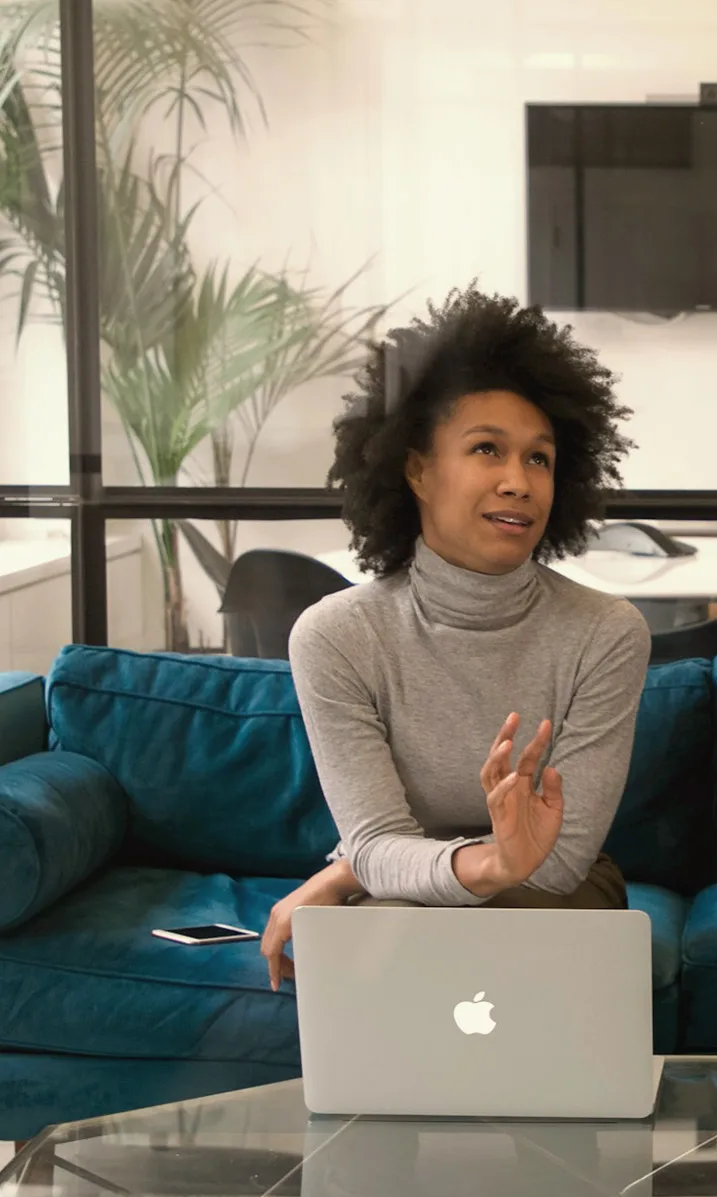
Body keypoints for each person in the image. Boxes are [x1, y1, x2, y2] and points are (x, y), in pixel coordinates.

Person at [260, 286, 650, 990]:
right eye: (486, 450)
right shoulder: (337, 637)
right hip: (406, 895)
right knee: (378, 949)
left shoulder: (606, 633)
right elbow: (376, 844)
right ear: (416, 469)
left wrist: (355, 874)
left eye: (539, 459)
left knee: (406, 940)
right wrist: (460, 862)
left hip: (558, 899)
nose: (518, 481)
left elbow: (557, 863)